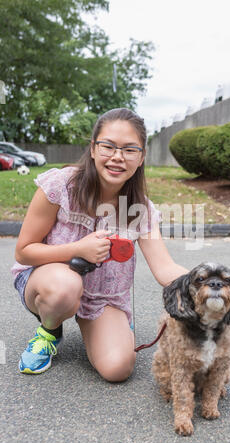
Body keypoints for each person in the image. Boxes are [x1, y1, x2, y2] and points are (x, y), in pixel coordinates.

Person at [12, 108, 188, 382]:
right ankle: (49, 331)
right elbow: (24, 251)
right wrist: (76, 249)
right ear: (93, 149)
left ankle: (112, 324)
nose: (118, 157)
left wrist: (205, 283)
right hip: (47, 280)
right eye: (108, 146)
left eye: (130, 150)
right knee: (64, 289)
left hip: (104, 297)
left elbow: (164, 267)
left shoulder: (140, 209)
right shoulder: (62, 185)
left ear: (141, 158)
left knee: (118, 368)